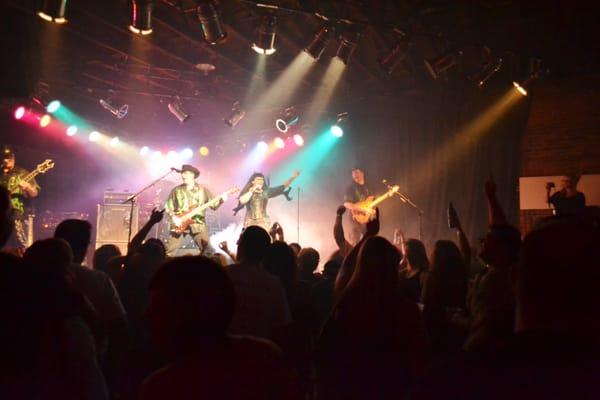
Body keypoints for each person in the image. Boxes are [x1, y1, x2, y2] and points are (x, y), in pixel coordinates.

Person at [141, 256, 301, 400]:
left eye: (159, 307)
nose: (147, 315)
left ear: (189, 310)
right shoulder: (265, 358)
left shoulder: (163, 387)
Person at [164, 164, 227, 257]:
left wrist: (221, 200)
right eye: (182, 173)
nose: (183, 175)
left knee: (208, 252)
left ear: (193, 175)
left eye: (186, 173)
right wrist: (174, 217)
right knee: (169, 251)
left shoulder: (203, 190)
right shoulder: (176, 190)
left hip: (197, 223)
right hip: (180, 223)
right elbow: (168, 207)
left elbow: (214, 206)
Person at [0, 145, 39, 249]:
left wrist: (27, 187)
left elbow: (35, 193)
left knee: (22, 247)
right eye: (5, 157)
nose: (8, 160)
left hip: (19, 216)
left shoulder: (23, 173)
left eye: (11, 157)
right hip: (2, 217)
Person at [233, 170, 299, 231]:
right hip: (250, 221)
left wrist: (293, 177)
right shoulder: (248, 192)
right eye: (258, 179)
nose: (261, 181)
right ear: (253, 182)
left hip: (263, 221)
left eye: (262, 180)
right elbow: (242, 201)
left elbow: (282, 187)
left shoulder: (266, 192)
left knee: (264, 239)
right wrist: (252, 191)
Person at [343, 166, 373, 243]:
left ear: (362, 173)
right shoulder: (350, 188)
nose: (354, 174)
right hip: (354, 220)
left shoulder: (368, 186)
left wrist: (372, 210)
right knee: (355, 244)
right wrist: (362, 209)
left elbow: (370, 201)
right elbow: (346, 204)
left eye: (356, 172)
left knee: (368, 242)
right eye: (352, 173)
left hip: (366, 219)